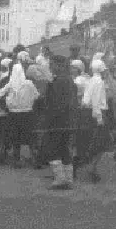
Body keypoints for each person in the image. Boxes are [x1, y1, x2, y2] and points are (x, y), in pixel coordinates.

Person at [0, 61, 40, 167]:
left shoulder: (10, 84)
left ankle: (16, 160)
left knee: (15, 138)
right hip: (28, 114)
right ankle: (34, 159)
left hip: (13, 115)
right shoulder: (29, 83)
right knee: (30, 137)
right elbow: (37, 96)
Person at [40, 54, 76, 189]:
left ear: (59, 66)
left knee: (53, 149)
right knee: (65, 149)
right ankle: (69, 178)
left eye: (52, 65)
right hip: (68, 121)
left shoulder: (58, 82)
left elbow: (54, 103)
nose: (50, 67)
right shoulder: (68, 80)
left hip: (57, 121)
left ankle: (60, 178)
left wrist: (48, 119)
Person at [75, 59, 111, 183]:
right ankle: (92, 167)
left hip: (89, 113)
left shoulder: (91, 80)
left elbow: (86, 100)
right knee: (102, 143)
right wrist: (100, 118)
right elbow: (96, 101)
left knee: (92, 141)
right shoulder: (99, 81)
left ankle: (89, 165)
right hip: (98, 113)